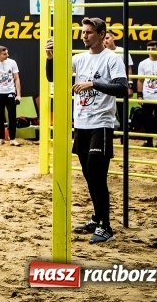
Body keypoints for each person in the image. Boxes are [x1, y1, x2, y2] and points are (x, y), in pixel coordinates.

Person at [45, 17, 128, 244]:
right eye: (83, 32)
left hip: (101, 125)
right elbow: (53, 77)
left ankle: (105, 227)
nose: (84, 36)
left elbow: (122, 88)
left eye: (89, 32)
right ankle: (97, 218)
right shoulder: (78, 59)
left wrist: (93, 83)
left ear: (102, 35)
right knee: (89, 176)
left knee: (96, 175)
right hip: (80, 125)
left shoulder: (112, 59)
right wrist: (50, 58)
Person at [136, 40, 157, 148]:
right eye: (149, 49)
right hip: (147, 96)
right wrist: (139, 95)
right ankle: (149, 141)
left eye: (153, 49)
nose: (151, 51)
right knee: (147, 120)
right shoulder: (143, 63)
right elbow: (140, 80)